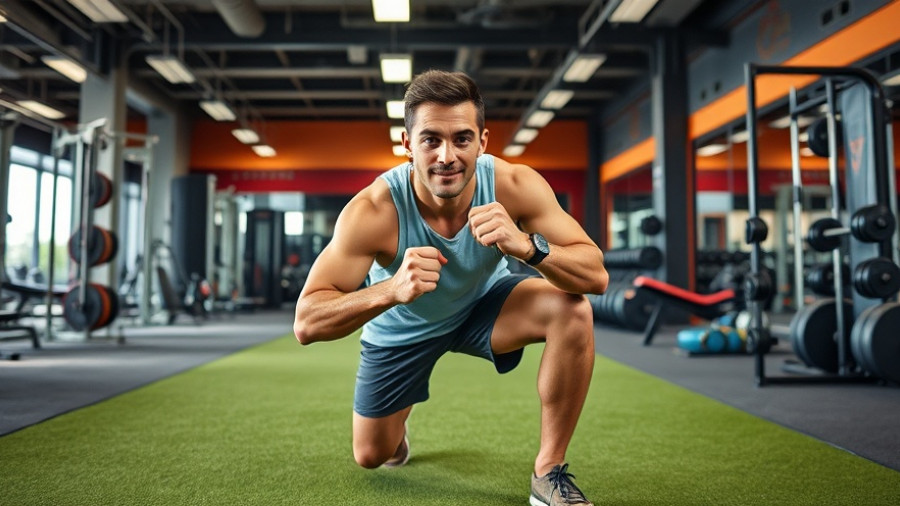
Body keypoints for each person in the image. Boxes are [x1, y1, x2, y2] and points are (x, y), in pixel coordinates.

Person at [293, 69, 608, 506]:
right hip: (404, 328)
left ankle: (547, 473)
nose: (447, 156)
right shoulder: (374, 211)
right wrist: (390, 290)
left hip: (485, 306)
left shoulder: (515, 185)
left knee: (572, 310)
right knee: (372, 455)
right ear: (408, 144)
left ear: (482, 141)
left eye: (461, 139)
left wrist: (526, 247)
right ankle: (397, 425)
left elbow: (596, 274)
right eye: (430, 140)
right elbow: (307, 321)